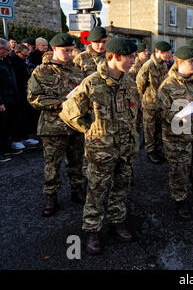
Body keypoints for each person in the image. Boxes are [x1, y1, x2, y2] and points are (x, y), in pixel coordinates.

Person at [59, 37, 140, 255]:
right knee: (96, 191)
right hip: (101, 152)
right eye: (131, 57)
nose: (134, 60)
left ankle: (117, 221)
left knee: (121, 188)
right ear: (116, 57)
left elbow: (135, 113)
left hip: (125, 149)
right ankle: (92, 230)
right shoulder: (92, 83)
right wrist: (90, 130)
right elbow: (68, 111)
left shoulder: (129, 82)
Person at [27, 33, 86, 217]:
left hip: (75, 126)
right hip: (52, 127)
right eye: (65, 51)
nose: (69, 54)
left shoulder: (76, 70)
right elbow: (33, 98)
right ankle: (51, 196)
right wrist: (61, 103)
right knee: (52, 165)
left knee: (76, 162)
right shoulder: (41, 71)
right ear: (54, 49)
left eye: (71, 50)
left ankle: (77, 190)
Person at [156, 45, 193, 220]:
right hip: (177, 137)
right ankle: (180, 202)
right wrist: (181, 116)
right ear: (179, 63)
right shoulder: (167, 86)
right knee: (180, 170)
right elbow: (162, 113)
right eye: (192, 61)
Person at [136, 41, 171, 164]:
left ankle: (157, 149)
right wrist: (147, 97)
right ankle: (150, 151)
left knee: (159, 128)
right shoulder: (148, 65)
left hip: (161, 103)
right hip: (150, 103)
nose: (169, 55)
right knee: (149, 128)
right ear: (159, 52)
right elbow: (140, 84)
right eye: (167, 52)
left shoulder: (164, 65)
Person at [9, 44, 39, 147]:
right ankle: (16, 139)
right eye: (24, 56)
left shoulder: (22, 61)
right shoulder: (12, 62)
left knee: (25, 116)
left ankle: (25, 137)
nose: (26, 58)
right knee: (17, 117)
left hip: (25, 92)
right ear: (17, 53)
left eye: (27, 55)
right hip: (17, 93)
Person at [0, 38, 23, 162]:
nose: (10, 52)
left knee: (7, 125)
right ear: (1, 49)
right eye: (8, 50)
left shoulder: (5, 60)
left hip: (9, 96)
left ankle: (6, 147)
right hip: (3, 98)